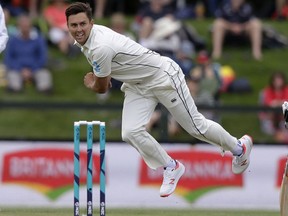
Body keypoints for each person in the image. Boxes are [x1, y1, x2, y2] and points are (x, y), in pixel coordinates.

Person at [65, 2, 253, 198]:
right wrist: (104, 77)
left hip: (163, 77)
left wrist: (92, 82)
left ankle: (239, 149)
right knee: (130, 132)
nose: (79, 29)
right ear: (67, 26)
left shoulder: (100, 46)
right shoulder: (89, 41)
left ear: (92, 23)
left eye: (82, 24)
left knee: (196, 127)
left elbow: (102, 88)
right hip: (138, 85)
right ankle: (171, 166)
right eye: (74, 25)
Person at [4, 14, 53, 93]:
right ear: (18, 26)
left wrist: (31, 69)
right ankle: (15, 88)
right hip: (17, 69)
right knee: (12, 75)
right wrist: (21, 69)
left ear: (31, 26)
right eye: (22, 26)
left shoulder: (39, 40)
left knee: (44, 74)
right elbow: (8, 59)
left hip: (35, 68)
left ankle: (44, 89)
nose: (25, 28)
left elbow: (43, 58)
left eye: (27, 26)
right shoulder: (12, 40)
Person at [259, 72, 288, 142]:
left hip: (283, 116)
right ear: (273, 81)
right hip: (270, 117)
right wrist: (280, 103)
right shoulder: (267, 91)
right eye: (276, 80)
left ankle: (281, 133)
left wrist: (277, 103)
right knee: (273, 110)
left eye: (280, 80)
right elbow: (269, 104)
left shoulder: (286, 90)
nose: (278, 82)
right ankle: (277, 132)